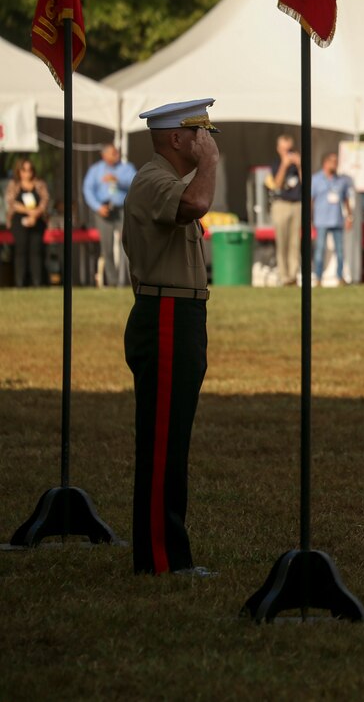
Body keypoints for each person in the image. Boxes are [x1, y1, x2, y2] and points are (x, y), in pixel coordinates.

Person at [121, 98, 220, 577]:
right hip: (164, 313)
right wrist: (212, 164)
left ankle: (164, 551)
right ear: (177, 138)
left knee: (171, 439)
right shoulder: (153, 179)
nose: (208, 141)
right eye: (200, 133)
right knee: (162, 442)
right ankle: (161, 559)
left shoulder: (166, 180)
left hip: (179, 314)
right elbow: (199, 203)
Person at [82, 144, 137, 287]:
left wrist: (118, 180)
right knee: (106, 247)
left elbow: (136, 183)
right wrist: (97, 207)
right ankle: (112, 281)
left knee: (127, 245)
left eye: (117, 153)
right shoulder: (95, 170)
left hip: (122, 209)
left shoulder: (126, 168)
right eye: (113, 154)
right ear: (104, 155)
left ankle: (127, 280)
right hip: (104, 209)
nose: (116, 156)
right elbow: (87, 190)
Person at [4, 158, 50, 287]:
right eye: (24, 170)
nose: (27, 173)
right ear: (19, 171)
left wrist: (35, 214)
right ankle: (20, 283)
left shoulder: (39, 184)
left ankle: (37, 282)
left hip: (37, 221)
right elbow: (11, 201)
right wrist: (28, 211)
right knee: (21, 251)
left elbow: (45, 200)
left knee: (36, 252)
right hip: (19, 221)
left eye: (29, 170)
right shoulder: (14, 184)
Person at [311, 151, 354, 286]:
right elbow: (310, 200)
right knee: (320, 250)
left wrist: (349, 217)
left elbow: (346, 199)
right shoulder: (316, 179)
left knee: (340, 250)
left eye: (336, 162)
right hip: (321, 220)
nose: (335, 165)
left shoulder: (342, 181)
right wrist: (309, 219)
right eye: (332, 162)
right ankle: (318, 277)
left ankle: (340, 276)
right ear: (325, 163)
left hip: (337, 219)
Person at [269, 134, 303, 286]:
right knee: (282, 241)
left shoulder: (297, 165)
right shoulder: (276, 164)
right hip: (281, 204)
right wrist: (284, 164)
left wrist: (300, 165)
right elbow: (277, 184)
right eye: (284, 150)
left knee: (295, 242)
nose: (288, 153)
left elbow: (306, 183)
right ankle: (284, 276)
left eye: (290, 149)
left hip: (296, 204)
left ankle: (293, 275)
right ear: (278, 150)